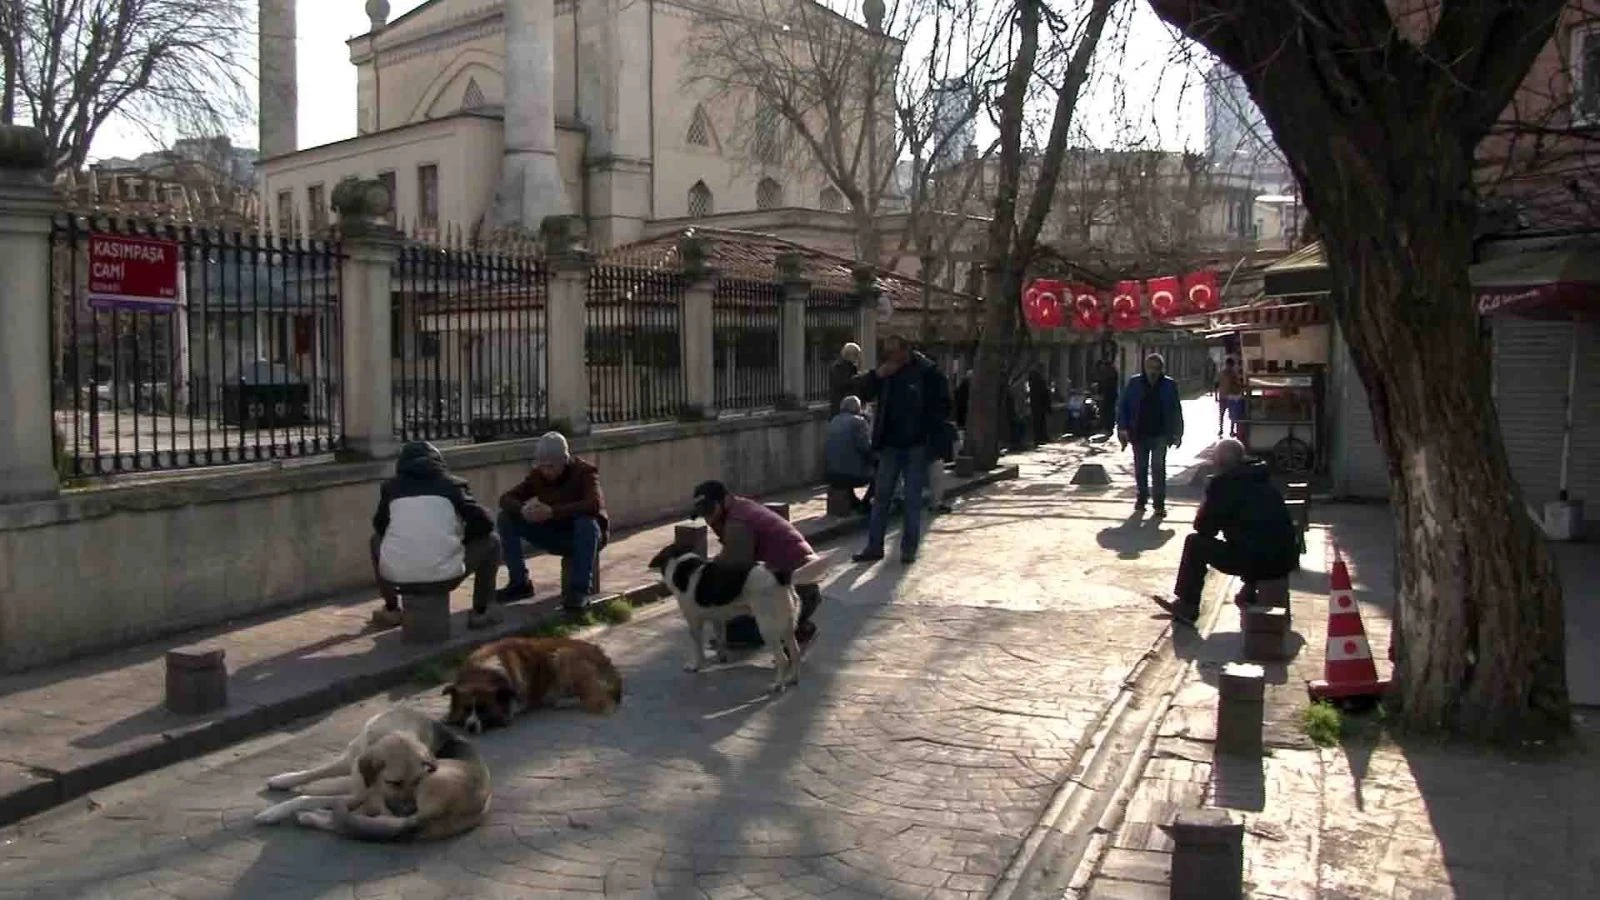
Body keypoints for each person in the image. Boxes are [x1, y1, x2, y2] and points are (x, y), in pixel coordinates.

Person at [1154, 439, 1299, 625]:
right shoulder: (1261, 477)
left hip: (1258, 561)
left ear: (1220, 463)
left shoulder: (1223, 484)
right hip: (1284, 559)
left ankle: (1187, 605)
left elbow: (1204, 528)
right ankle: (1248, 590)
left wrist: (1208, 498)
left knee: (1195, 543)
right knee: (1254, 537)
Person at [370, 441, 503, 630]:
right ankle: (481, 612)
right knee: (492, 541)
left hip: (398, 578)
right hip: (445, 577)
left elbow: (380, 526)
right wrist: (462, 541)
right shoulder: (453, 485)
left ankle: (391, 610)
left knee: (375, 541)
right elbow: (485, 523)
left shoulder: (390, 488)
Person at [848, 333, 952, 565]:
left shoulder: (927, 372)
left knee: (912, 499)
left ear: (906, 350)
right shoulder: (887, 373)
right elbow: (858, 390)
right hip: (889, 444)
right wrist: (877, 375)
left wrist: (929, 437)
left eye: (894, 352)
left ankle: (908, 549)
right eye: (887, 353)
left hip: (916, 445)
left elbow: (943, 406)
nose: (890, 357)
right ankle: (874, 547)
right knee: (881, 497)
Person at [690, 480, 823, 647]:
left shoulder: (738, 522)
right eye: (704, 514)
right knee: (738, 617)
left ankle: (795, 631)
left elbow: (735, 566)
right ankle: (794, 626)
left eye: (710, 510)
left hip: (795, 588)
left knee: (734, 631)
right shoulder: (742, 508)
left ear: (725, 500)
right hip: (801, 584)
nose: (708, 518)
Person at [495, 432, 608, 612]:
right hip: (555, 532)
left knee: (585, 522)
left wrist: (553, 512)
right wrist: (523, 510)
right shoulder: (538, 476)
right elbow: (506, 498)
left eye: (552, 467)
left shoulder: (585, 472)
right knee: (506, 518)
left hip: (585, 538)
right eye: (543, 466)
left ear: (565, 460)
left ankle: (580, 591)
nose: (547, 471)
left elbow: (594, 504)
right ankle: (520, 583)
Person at [1117, 352, 1184, 517]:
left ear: (1162, 369)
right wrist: (1122, 427)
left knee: (1158, 468)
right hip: (1139, 432)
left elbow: (1176, 409)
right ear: (1145, 368)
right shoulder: (1135, 383)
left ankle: (1159, 503)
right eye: (1150, 368)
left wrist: (1178, 432)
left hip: (1161, 433)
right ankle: (1141, 498)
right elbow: (1123, 406)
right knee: (1140, 468)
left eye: (1157, 368)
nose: (1153, 371)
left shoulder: (1169, 385)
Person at [825, 395, 876, 513]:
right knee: (880, 473)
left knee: (848, 463)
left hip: (831, 473)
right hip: (851, 474)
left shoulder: (834, 420)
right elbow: (865, 447)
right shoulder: (858, 422)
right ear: (857, 408)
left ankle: (853, 502)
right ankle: (866, 503)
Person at [828, 342, 864, 416]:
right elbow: (841, 383)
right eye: (856, 355)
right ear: (849, 355)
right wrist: (857, 379)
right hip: (840, 404)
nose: (857, 358)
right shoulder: (837, 367)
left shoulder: (852, 367)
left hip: (850, 404)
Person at [1216, 356, 1245, 438]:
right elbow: (1217, 384)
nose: (1229, 366)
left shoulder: (1232, 374)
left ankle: (1230, 430)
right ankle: (1222, 429)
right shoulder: (1228, 373)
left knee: (1231, 414)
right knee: (1224, 414)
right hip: (1226, 396)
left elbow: (1237, 384)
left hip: (1230, 396)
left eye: (1230, 365)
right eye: (1229, 365)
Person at [1027, 362, 1052, 447]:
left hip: (1037, 403)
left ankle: (1041, 437)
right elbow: (1043, 392)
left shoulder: (1036, 378)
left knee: (1040, 421)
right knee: (1038, 421)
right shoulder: (1037, 379)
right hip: (1038, 403)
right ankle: (1039, 438)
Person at [1093, 360, 1120, 435]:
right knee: (1107, 410)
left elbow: (1105, 384)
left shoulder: (1109, 373)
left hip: (1109, 395)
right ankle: (1106, 427)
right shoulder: (1110, 372)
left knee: (1107, 410)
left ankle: (1107, 427)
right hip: (1109, 394)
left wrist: (1100, 391)